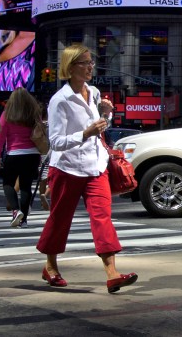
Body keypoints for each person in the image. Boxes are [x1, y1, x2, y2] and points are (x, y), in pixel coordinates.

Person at [36, 43, 137, 294]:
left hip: (96, 165)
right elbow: (56, 142)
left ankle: (112, 273)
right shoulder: (59, 101)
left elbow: (98, 128)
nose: (91, 66)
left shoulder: (92, 92)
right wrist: (85, 133)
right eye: (85, 63)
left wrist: (106, 115)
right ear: (70, 68)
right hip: (68, 168)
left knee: (102, 217)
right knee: (60, 219)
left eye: (91, 61)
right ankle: (50, 265)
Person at [0, 87, 43, 228]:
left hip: (14, 154)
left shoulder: (7, 115)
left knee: (8, 183)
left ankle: (15, 210)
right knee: (26, 186)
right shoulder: (34, 114)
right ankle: (24, 220)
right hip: (32, 154)